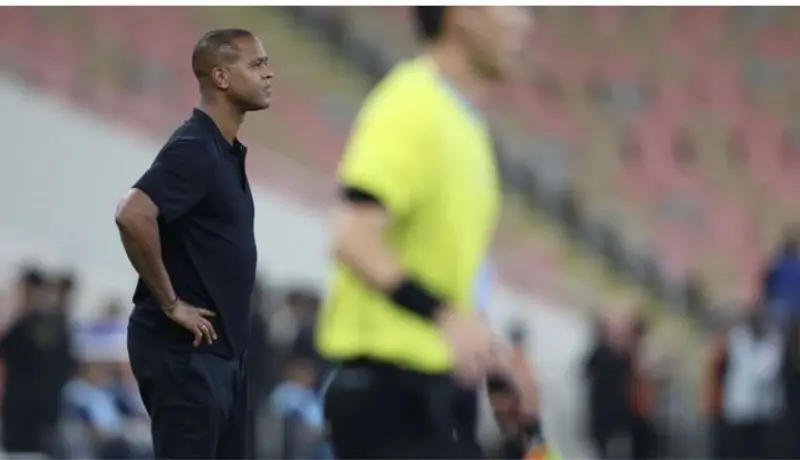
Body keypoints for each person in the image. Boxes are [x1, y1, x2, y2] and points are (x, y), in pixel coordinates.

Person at [316, 6, 532, 458]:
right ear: (461, 14)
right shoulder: (412, 104)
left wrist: (488, 354)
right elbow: (353, 236)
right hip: (389, 393)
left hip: (436, 391)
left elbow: (445, 268)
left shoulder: (466, 126)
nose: (524, 19)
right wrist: (446, 317)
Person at [114, 28, 273, 459]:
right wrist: (170, 304)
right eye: (256, 64)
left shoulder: (223, 150)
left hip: (221, 355)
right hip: (187, 354)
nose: (268, 73)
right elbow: (132, 213)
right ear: (221, 77)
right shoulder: (196, 146)